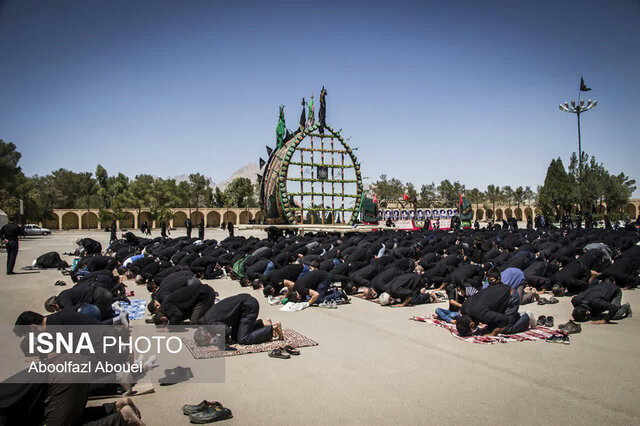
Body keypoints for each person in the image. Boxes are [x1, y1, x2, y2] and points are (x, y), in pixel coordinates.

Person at [195, 293, 283, 346]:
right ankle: (263, 324)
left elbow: (226, 330)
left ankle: (273, 328)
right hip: (243, 305)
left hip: (248, 307)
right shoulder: (206, 318)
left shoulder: (210, 324)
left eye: (207, 342)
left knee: (243, 339)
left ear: (206, 335)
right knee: (235, 337)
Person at [456, 284, 534, 337]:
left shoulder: (482, 314)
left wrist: (495, 332)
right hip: (500, 293)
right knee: (491, 325)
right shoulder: (464, 309)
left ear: (472, 325)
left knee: (506, 329)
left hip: (511, 296)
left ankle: (525, 317)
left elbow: (506, 319)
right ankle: (515, 315)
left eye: (471, 331)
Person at [151, 283, 216, 325]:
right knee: (192, 317)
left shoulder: (166, 308)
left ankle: (213, 317)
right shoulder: (165, 308)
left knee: (194, 322)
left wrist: (171, 326)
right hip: (201, 292)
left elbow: (178, 315)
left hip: (205, 295)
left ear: (163, 318)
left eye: (164, 325)